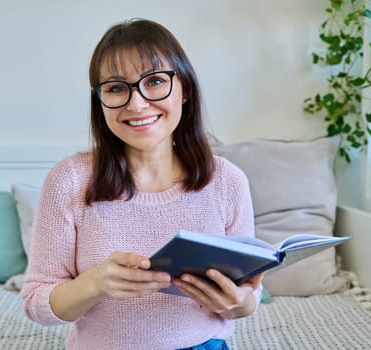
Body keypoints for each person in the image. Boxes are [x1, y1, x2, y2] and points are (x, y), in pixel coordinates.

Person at [21, 18, 263, 350]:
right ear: (100, 101)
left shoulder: (227, 181)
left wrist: (241, 303)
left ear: (185, 89)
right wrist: (95, 283)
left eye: (154, 81)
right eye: (116, 88)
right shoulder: (68, 181)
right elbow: (37, 303)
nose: (137, 104)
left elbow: (248, 296)